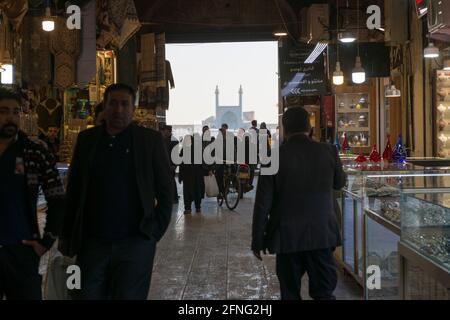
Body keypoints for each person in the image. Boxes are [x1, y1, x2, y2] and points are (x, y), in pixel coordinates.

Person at [59, 83, 173, 300]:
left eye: (124, 104)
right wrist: (67, 234)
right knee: (83, 295)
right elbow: (74, 190)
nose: (118, 109)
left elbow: (166, 192)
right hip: (92, 245)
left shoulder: (148, 141)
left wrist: (152, 233)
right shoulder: (87, 140)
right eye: (113, 103)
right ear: (105, 106)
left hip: (135, 244)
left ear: (133, 108)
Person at [251, 106, 346, 300]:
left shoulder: (272, 158)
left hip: (287, 238)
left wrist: (257, 240)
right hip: (322, 235)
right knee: (324, 293)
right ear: (310, 128)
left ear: (284, 130)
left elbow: (262, 204)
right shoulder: (329, 151)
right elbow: (339, 183)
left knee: (290, 294)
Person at [0, 87, 65, 300]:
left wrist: (45, 243)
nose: (11, 117)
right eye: (3, 111)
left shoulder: (34, 150)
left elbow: (57, 199)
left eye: (15, 112)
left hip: (22, 251)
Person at [179, 135, 205, 214]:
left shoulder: (184, 149)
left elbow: (181, 162)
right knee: (197, 190)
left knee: (187, 191)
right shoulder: (199, 149)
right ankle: (198, 207)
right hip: (197, 174)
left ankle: (188, 208)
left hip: (187, 174)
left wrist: (181, 176)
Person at [161, 124, 180, 203]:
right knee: (169, 181)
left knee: (171, 181)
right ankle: (171, 197)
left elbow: (175, 154)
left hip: (170, 165)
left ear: (168, 131)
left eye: (163, 130)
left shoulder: (173, 141)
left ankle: (174, 198)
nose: (162, 132)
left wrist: (174, 165)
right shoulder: (164, 139)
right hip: (165, 164)